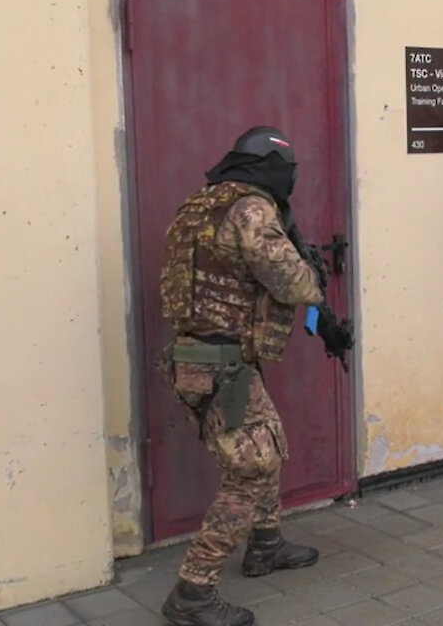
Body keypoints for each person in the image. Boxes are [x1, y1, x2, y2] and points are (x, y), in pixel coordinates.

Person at [157, 126, 351, 626]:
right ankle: (193, 591)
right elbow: (290, 281)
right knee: (253, 467)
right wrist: (312, 277)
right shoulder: (252, 208)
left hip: (202, 357)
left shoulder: (201, 204)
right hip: (220, 365)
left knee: (269, 440)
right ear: (274, 167)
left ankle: (265, 544)